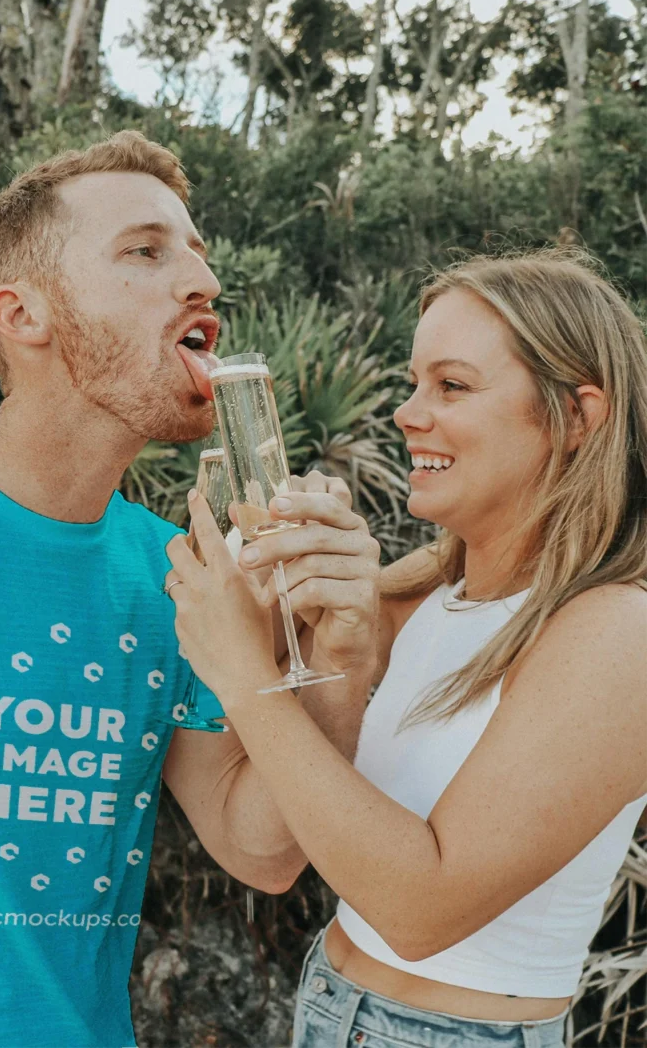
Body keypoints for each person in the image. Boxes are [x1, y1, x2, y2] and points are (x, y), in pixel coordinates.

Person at [0, 130, 379, 1048]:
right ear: (22, 313)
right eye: (146, 252)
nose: (202, 282)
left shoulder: (178, 575)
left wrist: (343, 653)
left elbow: (260, 849)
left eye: (196, 252)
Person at [166, 250, 647, 1048]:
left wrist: (246, 674)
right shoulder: (422, 589)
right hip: (327, 999)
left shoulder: (617, 630)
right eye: (415, 381)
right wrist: (327, 639)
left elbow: (422, 909)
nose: (407, 413)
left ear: (577, 417)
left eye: (451, 385)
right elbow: (266, 843)